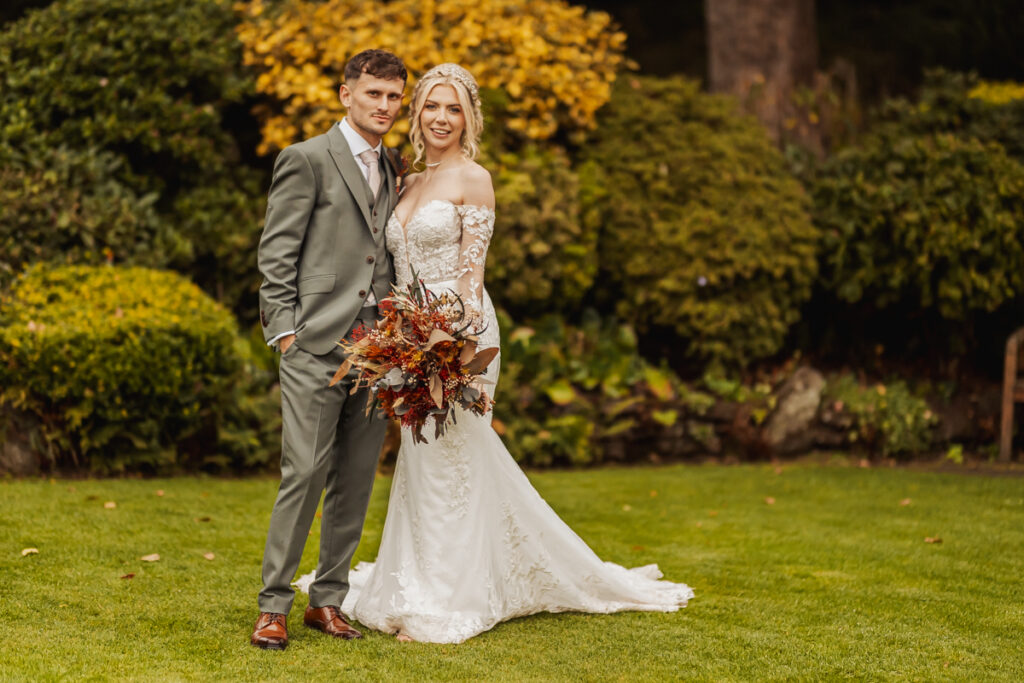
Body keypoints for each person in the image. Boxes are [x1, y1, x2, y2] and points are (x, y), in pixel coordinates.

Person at [296, 63, 693, 644]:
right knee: (421, 460)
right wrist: (399, 340)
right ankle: (416, 581)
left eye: (453, 108)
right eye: (432, 105)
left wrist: (450, 344)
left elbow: (470, 276)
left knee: (452, 456)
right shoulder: (404, 181)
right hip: (407, 339)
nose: (441, 117)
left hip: (462, 338)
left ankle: (453, 597)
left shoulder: (473, 179)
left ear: (468, 119)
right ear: (418, 113)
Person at [251, 49, 408, 650]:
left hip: (378, 349)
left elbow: (384, 252)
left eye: (394, 97)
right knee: (305, 472)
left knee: (357, 477)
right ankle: (273, 605)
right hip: (315, 343)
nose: (385, 107)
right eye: (374, 94)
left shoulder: (393, 165)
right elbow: (276, 252)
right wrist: (285, 332)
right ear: (346, 94)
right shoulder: (307, 158)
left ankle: (329, 601)